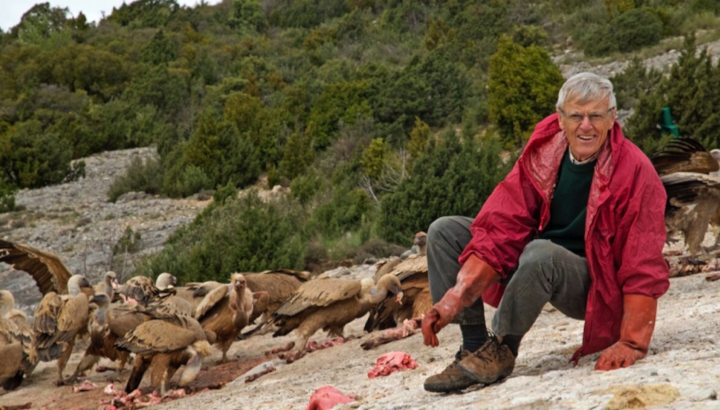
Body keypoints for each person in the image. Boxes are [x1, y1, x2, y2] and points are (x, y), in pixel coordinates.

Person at [422, 72, 670, 393]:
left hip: (591, 284)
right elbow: (503, 225)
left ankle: (502, 348)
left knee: (541, 253)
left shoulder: (635, 171)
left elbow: (642, 262)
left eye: (596, 115)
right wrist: (452, 300)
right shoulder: (544, 150)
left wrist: (632, 343)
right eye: (576, 116)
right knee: (444, 231)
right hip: (531, 263)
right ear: (560, 119)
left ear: (612, 119)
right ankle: (474, 347)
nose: (586, 125)